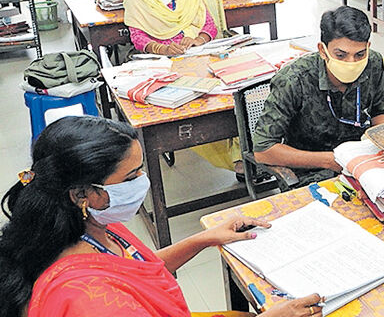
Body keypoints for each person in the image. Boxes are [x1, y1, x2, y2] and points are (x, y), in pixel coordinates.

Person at [0, 116, 324, 317]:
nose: (145, 181)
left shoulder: (90, 225)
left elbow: (138, 270)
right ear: (83, 193)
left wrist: (205, 238)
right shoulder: (90, 303)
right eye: (131, 177)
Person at [253, 6, 384, 185]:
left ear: (368, 47)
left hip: (363, 163)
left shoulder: (373, 62)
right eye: (340, 55)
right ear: (322, 50)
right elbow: (263, 150)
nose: (351, 63)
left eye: (359, 54)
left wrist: (382, 144)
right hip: (311, 172)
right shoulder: (294, 80)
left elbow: (381, 111)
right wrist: (330, 160)